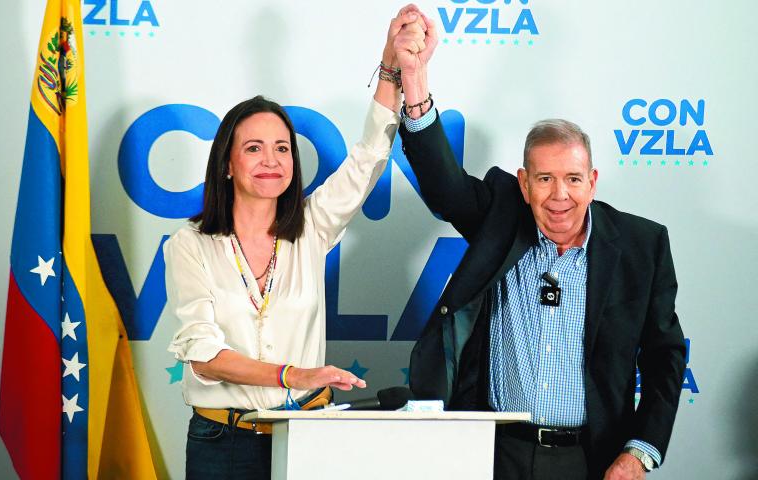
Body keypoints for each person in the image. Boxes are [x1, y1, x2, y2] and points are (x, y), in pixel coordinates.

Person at [391, 9, 686, 480]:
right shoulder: (502, 215)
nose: (560, 195)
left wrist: (640, 451)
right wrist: (416, 80)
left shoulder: (641, 245)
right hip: (490, 452)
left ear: (592, 182)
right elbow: (445, 186)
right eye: (545, 179)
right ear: (524, 184)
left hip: (591, 458)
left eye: (572, 179)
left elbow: (664, 356)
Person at [164, 8, 428, 479]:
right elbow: (204, 358)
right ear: (226, 163)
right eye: (253, 148)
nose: (271, 160)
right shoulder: (190, 245)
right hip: (222, 444)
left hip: (307, 434)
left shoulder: (312, 225)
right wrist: (295, 375)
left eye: (282, 147)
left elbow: (368, 158)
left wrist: (392, 68)